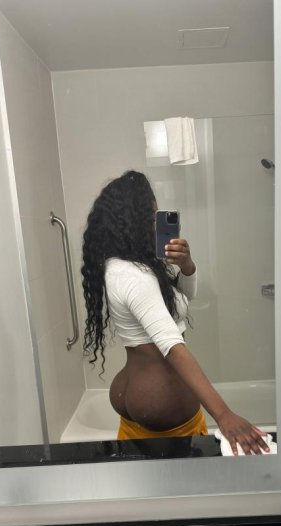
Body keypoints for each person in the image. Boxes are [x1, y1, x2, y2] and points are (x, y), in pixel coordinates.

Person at [81, 170, 270, 455]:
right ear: (132, 220)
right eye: (151, 216)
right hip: (159, 404)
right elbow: (171, 344)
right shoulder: (135, 276)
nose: (156, 224)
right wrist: (224, 415)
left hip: (137, 392)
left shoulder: (121, 266)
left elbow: (182, 299)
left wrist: (187, 267)